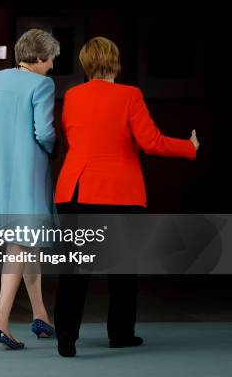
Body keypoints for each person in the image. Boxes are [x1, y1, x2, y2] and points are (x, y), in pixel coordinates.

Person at [53, 36, 199, 357]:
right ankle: (120, 334)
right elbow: (152, 142)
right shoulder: (130, 94)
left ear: (86, 63)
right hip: (118, 191)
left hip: (75, 189)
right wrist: (189, 147)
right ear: (115, 62)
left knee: (75, 269)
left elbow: (75, 138)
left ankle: (66, 336)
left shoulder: (72, 95)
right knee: (121, 269)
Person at [0, 29, 59, 350]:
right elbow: (44, 132)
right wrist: (54, 147)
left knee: (25, 242)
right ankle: (0, 322)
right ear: (38, 58)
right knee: (20, 243)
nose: (51, 67)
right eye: (50, 60)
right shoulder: (42, 84)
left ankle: (41, 315)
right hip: (26, 171)